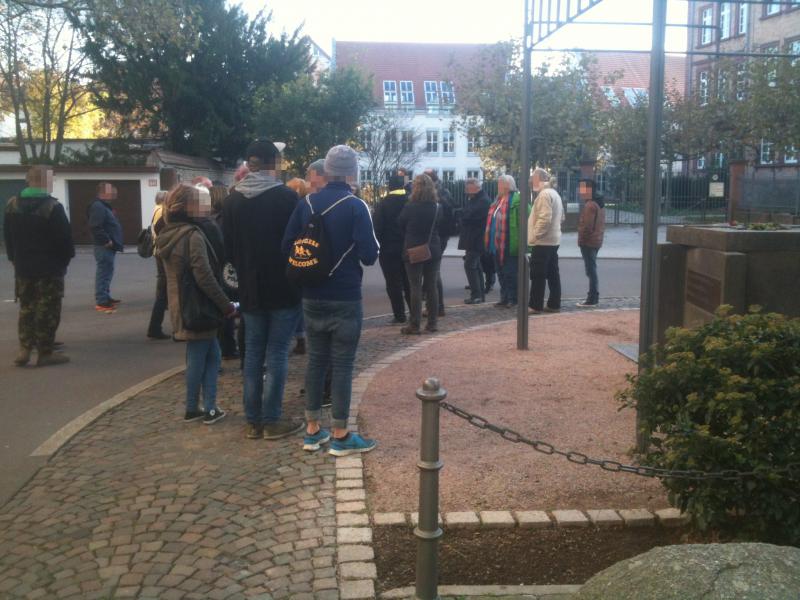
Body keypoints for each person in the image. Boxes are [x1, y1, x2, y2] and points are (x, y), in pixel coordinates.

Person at [282, 144, 379, 456]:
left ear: (326, 171)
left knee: (315, 360)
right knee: (342, 365)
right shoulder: (356, 206)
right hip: (345, 295)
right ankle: (340, 434)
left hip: (311, 294)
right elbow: (369, 255)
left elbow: (287, 245)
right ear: (351, 173)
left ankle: (312, 431)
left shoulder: (306, 203)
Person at [224, 140, 304, 440]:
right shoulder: (286, 198)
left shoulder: (232, 201)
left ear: (249, 163)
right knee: (279, 353)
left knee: (253, 354)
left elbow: (227, 249)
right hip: (283, 287)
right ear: (275, 164)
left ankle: (252, 420)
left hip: (249, 290)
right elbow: (298, 244)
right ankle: (271, 420)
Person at [155, 184, 236, 424]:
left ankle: (202, 407)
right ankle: (202, 408)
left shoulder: (169, 233)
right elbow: (205, 276)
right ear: (189, 207)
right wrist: (226, 304)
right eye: (201, 203)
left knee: (208, 356)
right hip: (199, 308)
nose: (207, 207)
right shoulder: (193, 235)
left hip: (183, 305)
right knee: (203, 359)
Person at [5, 165, 75, 367]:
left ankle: (24, 348)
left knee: (27, 307)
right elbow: (64, 240)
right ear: (45, 182)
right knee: (48, 308)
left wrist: (14, 259)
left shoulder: (12, 205)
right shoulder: (52, 207)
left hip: (23, 266)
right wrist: (64, 262)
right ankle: (45, 352)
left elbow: (8, 237)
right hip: (49, 267)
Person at [398, 174, 442, 334]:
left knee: (415, 287)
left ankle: (414, 324)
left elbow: (401, 224)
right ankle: (432, 323)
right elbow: (441, 225)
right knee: (432, 286)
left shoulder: (410, 207)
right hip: (433, 248)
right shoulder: (437, 207)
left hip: (414, 250)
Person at [373, 173, 411, 323]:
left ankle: (399, 315)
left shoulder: (384, 203)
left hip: (389, 249)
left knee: (393, 283)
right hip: (408, 247)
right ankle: (415, 312)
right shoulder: (410, 200)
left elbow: (377, 228)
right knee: (409, 282)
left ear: (389, 186)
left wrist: (380, 244)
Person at [528, 168, 564, 314]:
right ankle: (554, 304)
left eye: (532, 180)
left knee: (538, 275)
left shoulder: (544, 195)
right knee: (553, 273)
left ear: (539, 180)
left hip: (543, 242)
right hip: (553, 240)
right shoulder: (554, 194)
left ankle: (535, 305)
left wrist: (536, 235)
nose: (531, 183)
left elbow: (544, 218)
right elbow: (561, 217)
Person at [209, 184, 239, 358]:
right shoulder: (222, 220)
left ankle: (224, 347)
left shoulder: (207, 220)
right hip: (227, 268)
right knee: (229, 307)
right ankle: (227, 347)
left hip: (215, 268)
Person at [484, 174, 523, 308]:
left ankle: (513, 298)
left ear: (507, 185)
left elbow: (524, 220)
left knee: (510, 273)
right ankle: (504, 298)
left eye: (500, 184)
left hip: (509, 243)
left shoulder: (517, 199)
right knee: (501, 273)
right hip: (497, 244)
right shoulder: (497, 200)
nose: (498, 186)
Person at [88, 182, 123, 313]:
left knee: (107, 272)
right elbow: (95, 226)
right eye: (112, 191)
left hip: (108, 246)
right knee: (103, 273)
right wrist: (106, 240)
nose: (115, 193)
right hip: (104, 246)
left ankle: (106, 297)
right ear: (103, 192)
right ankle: (102, 301)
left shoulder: (103, 206)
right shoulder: (98, 206)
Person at [285, 177, 310, 354]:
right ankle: (301, 337)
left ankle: (297, 336)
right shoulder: (307, 206)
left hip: (292, 257)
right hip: (305, 256)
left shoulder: (294, 208)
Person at [424, 168, 453, 317]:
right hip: (438, 236)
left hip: (437, 237)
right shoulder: (442, 192)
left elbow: (445, 216)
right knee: (433, 273)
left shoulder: (440, 195)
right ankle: (434, 306)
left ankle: (437, 307)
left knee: (433, 273)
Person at [458, 178, 491, 304]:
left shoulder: (482, 201)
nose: (466, 190)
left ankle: (477, 294)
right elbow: (466, 214)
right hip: (473, 237)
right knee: (475, 265)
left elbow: (468, 216)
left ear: (475, 187)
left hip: (476, 238)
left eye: (468, 187)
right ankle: (479, 294)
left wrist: (463, 216)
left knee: (470, 265)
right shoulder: (476, 199)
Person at [576, 178, 605, 307]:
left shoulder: (590, 205)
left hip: (589, 242)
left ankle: (592, 298)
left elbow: (587, 227)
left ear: (588, 190)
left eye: (582, 189)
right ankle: (593, 296)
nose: (580, 192)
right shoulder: (598, 203)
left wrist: (581, 239)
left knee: (591, 270)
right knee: (591, 269)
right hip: (596, 240)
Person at [145, 191, 171, 340]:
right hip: (162, 252)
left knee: (163, 289)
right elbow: (161, 230)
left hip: (158, 251)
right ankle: (155, 327)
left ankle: (155, 327)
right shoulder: (162, 210)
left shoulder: (156, 208)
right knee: (164, 291)